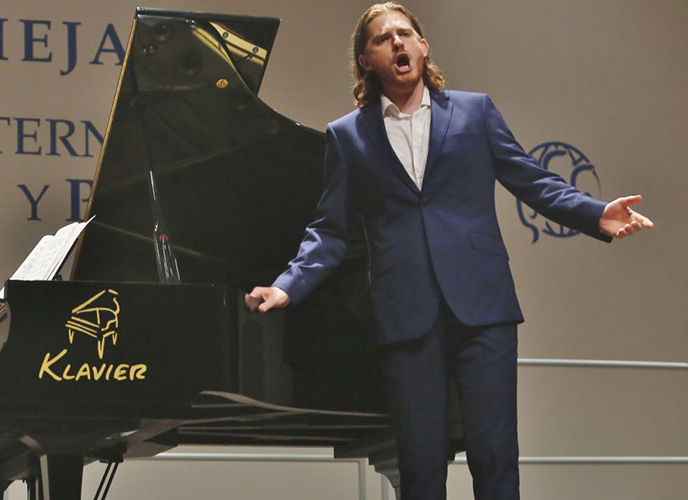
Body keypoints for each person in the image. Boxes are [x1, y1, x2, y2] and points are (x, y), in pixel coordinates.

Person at [245, 3, 653, 500]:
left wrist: (595, 212)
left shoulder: (475, 111)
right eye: (382, 38)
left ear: (422, 46)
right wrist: (287, 286)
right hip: (405, 314)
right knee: (420, 468)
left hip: (483, 308)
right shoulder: (347, 135)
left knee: (495, 457)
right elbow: (329, 231)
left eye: (404, 33)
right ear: (366, 60)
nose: (397, 42)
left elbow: (532, 180)